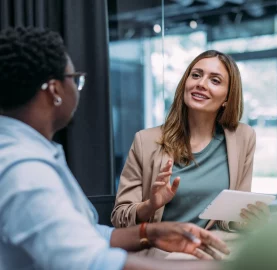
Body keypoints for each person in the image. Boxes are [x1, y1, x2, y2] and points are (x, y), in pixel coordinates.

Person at [0, 26, 230, 270]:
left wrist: (150, 233)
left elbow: (82, 236)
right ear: (55, 90)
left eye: (215, 80)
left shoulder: (27, 154)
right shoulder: (24, 170)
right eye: (75, 79)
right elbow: (89, 262)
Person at [112, 50, 270, 232]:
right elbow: (119, 217)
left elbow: (231, 217)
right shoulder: (145, 141)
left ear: (227, 98)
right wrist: (151, 205)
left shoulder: (242, 137)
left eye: (215, 80)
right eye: (196, 75)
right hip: (166, 254)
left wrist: (248, 218)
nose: (201, 84)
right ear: (185, 83)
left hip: (217, 250)